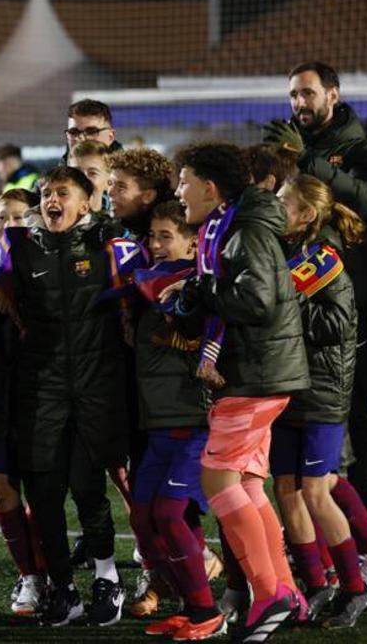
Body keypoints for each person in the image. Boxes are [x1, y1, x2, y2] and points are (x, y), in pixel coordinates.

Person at [0, 167, 146, 627]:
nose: (51, 200)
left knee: (88, 486)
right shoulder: (20, 247)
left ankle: (107, 576)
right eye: (46, 193)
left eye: (62, 193)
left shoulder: (112, 243)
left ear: (86, 202)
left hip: (98, 385)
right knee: (44, 490)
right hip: (42, 387)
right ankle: (63, 587)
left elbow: (138, 304)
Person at [171, 142, 309, 642]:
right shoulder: (235, 224)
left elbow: (255, 299)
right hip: (260, 370)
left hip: (256, 373)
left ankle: (268, 594)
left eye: (184, 181)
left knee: (217, 481)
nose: (178, 190)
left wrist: (197, 290)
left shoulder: (245, 229)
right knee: (248, 484)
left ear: (210, 188)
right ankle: (285, 592)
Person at [263, 62, 367, 514]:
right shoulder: (284, 145)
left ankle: (363, 520)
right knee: (295, 419)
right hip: (292, 305)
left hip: (344, 303)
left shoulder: (362, 149)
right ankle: (311, 532)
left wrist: (305, 161)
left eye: (308, 93)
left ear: (333, 94)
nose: (299, 103)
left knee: (355, 416)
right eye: (293, 94)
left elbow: (366, 200)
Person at [271, 175, 367, 627]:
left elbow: (339, 324)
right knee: (286, 491)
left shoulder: (324, 259)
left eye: (283, 203)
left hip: (322, 393)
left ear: (306, 214)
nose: (276, 210)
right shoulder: (289, 255)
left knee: (316, 494)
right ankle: (317, 584)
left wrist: (285, 304)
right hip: (289, 389)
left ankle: (355, 587)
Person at [125, 200, 225, 640]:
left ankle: (206, 612)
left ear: (192, 240)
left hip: (194, 423)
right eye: (153, 236)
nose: (157, 244)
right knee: (143, 516)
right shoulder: (146, 286)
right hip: (157, 424)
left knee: (169, 514)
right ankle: (190, 602)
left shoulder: (201, 288)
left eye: (168, 236)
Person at [0, 187, 47, 615]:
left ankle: (52, 572)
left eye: (19, 216)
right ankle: (29, 576)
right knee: (3, 489)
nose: (9, 224)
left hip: (40, 396)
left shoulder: (43, 272)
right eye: (2, 217)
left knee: (41, 493)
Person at [108, 147, 174, 240]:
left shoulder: (168, 235)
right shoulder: (114, 228)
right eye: (110, 183)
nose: (110, 192)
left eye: (121, 187)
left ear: (148, 196)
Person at [67, 141, 112, 213]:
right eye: (76, 171)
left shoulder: (118, 221)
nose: (83, 178)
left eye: (92, 173)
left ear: (109, 182)